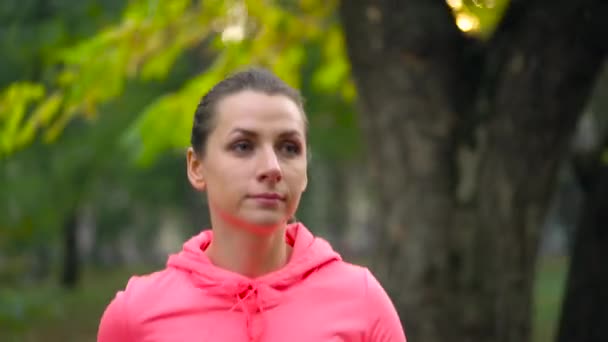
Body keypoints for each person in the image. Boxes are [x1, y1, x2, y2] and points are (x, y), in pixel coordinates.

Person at [97, 67, 407, 341]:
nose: (272, 167)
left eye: (289, 148)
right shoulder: (135, 316)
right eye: (243, 146)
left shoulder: (361, 302)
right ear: (196, 166)